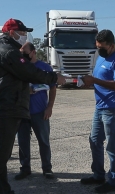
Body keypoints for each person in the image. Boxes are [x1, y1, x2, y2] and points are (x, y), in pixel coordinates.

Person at [0, 18, 66, 194]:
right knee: (3, 155)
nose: (24, 37)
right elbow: (29, 72)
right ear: (11, 33)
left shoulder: (10, 51)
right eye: (21, 33)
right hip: (7, 110)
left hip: (17, 109)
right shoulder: (8, 52)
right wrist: (54, 78)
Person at [80, 29, 115, 193]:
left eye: (102, 47)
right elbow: (100, 80)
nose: (99, 49)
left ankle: (114, 181)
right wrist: (90, 81)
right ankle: (98, 175)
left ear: (112, 45)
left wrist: (94, 80)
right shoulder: (102, 57)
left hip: (113, 108)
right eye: (97, 46)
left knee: (112, 145)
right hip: (100, 107)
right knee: (94, 141)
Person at [14, 42, 56, 180]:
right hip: (23, 112)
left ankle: (47, 169)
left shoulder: (44, 67)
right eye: (21, 52)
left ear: (33, 52)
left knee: (43, 141)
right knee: (23, 142)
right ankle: (25, 169)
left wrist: (49, 107)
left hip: (40, 112)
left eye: (25, 52)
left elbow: (53, 88)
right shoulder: (20, 68)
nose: (23, 55)